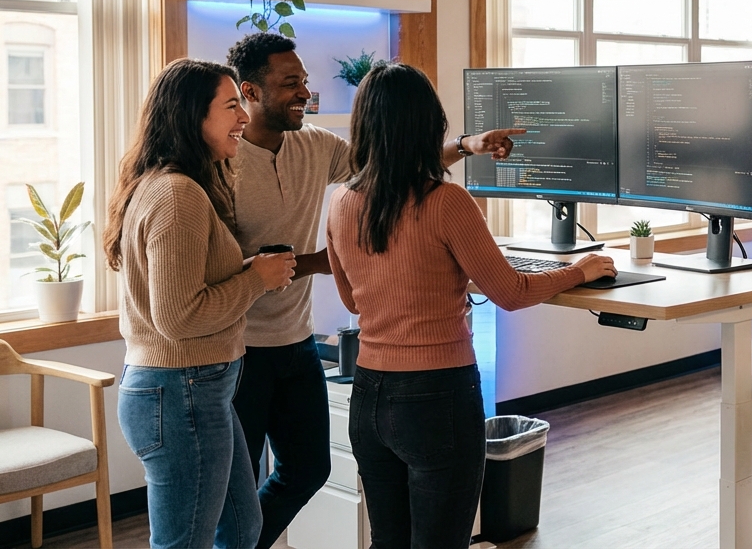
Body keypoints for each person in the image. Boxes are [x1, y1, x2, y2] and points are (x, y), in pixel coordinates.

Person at [222, 32, 525, 548]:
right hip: (238, 349)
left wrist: (466, 146)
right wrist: (324, 262)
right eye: (290, 83)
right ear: (249, 92)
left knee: (308, 469)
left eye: (305, 81)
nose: (304, 92)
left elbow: (390, 160)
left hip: (295, 343)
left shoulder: (315, 145)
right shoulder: (222, 163)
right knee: (237, 491)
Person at [326, 62, 616, 546]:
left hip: (370, 396)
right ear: (428, 125)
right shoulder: (447, 202)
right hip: (437, 395)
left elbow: (352, 299)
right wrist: (580, 270)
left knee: (388, 541)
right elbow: (511, 292)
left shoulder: (341, 201)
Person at [103, 59, 296, 549]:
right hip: (181, 390)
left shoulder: (171, 185)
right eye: (232, 106)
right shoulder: (177, 194)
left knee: (242, 527)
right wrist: (255, 279)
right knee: (184, 542)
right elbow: (179, 317)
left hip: (194, 390)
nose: (244, 118)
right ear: (193, 116)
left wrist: (245, 270)